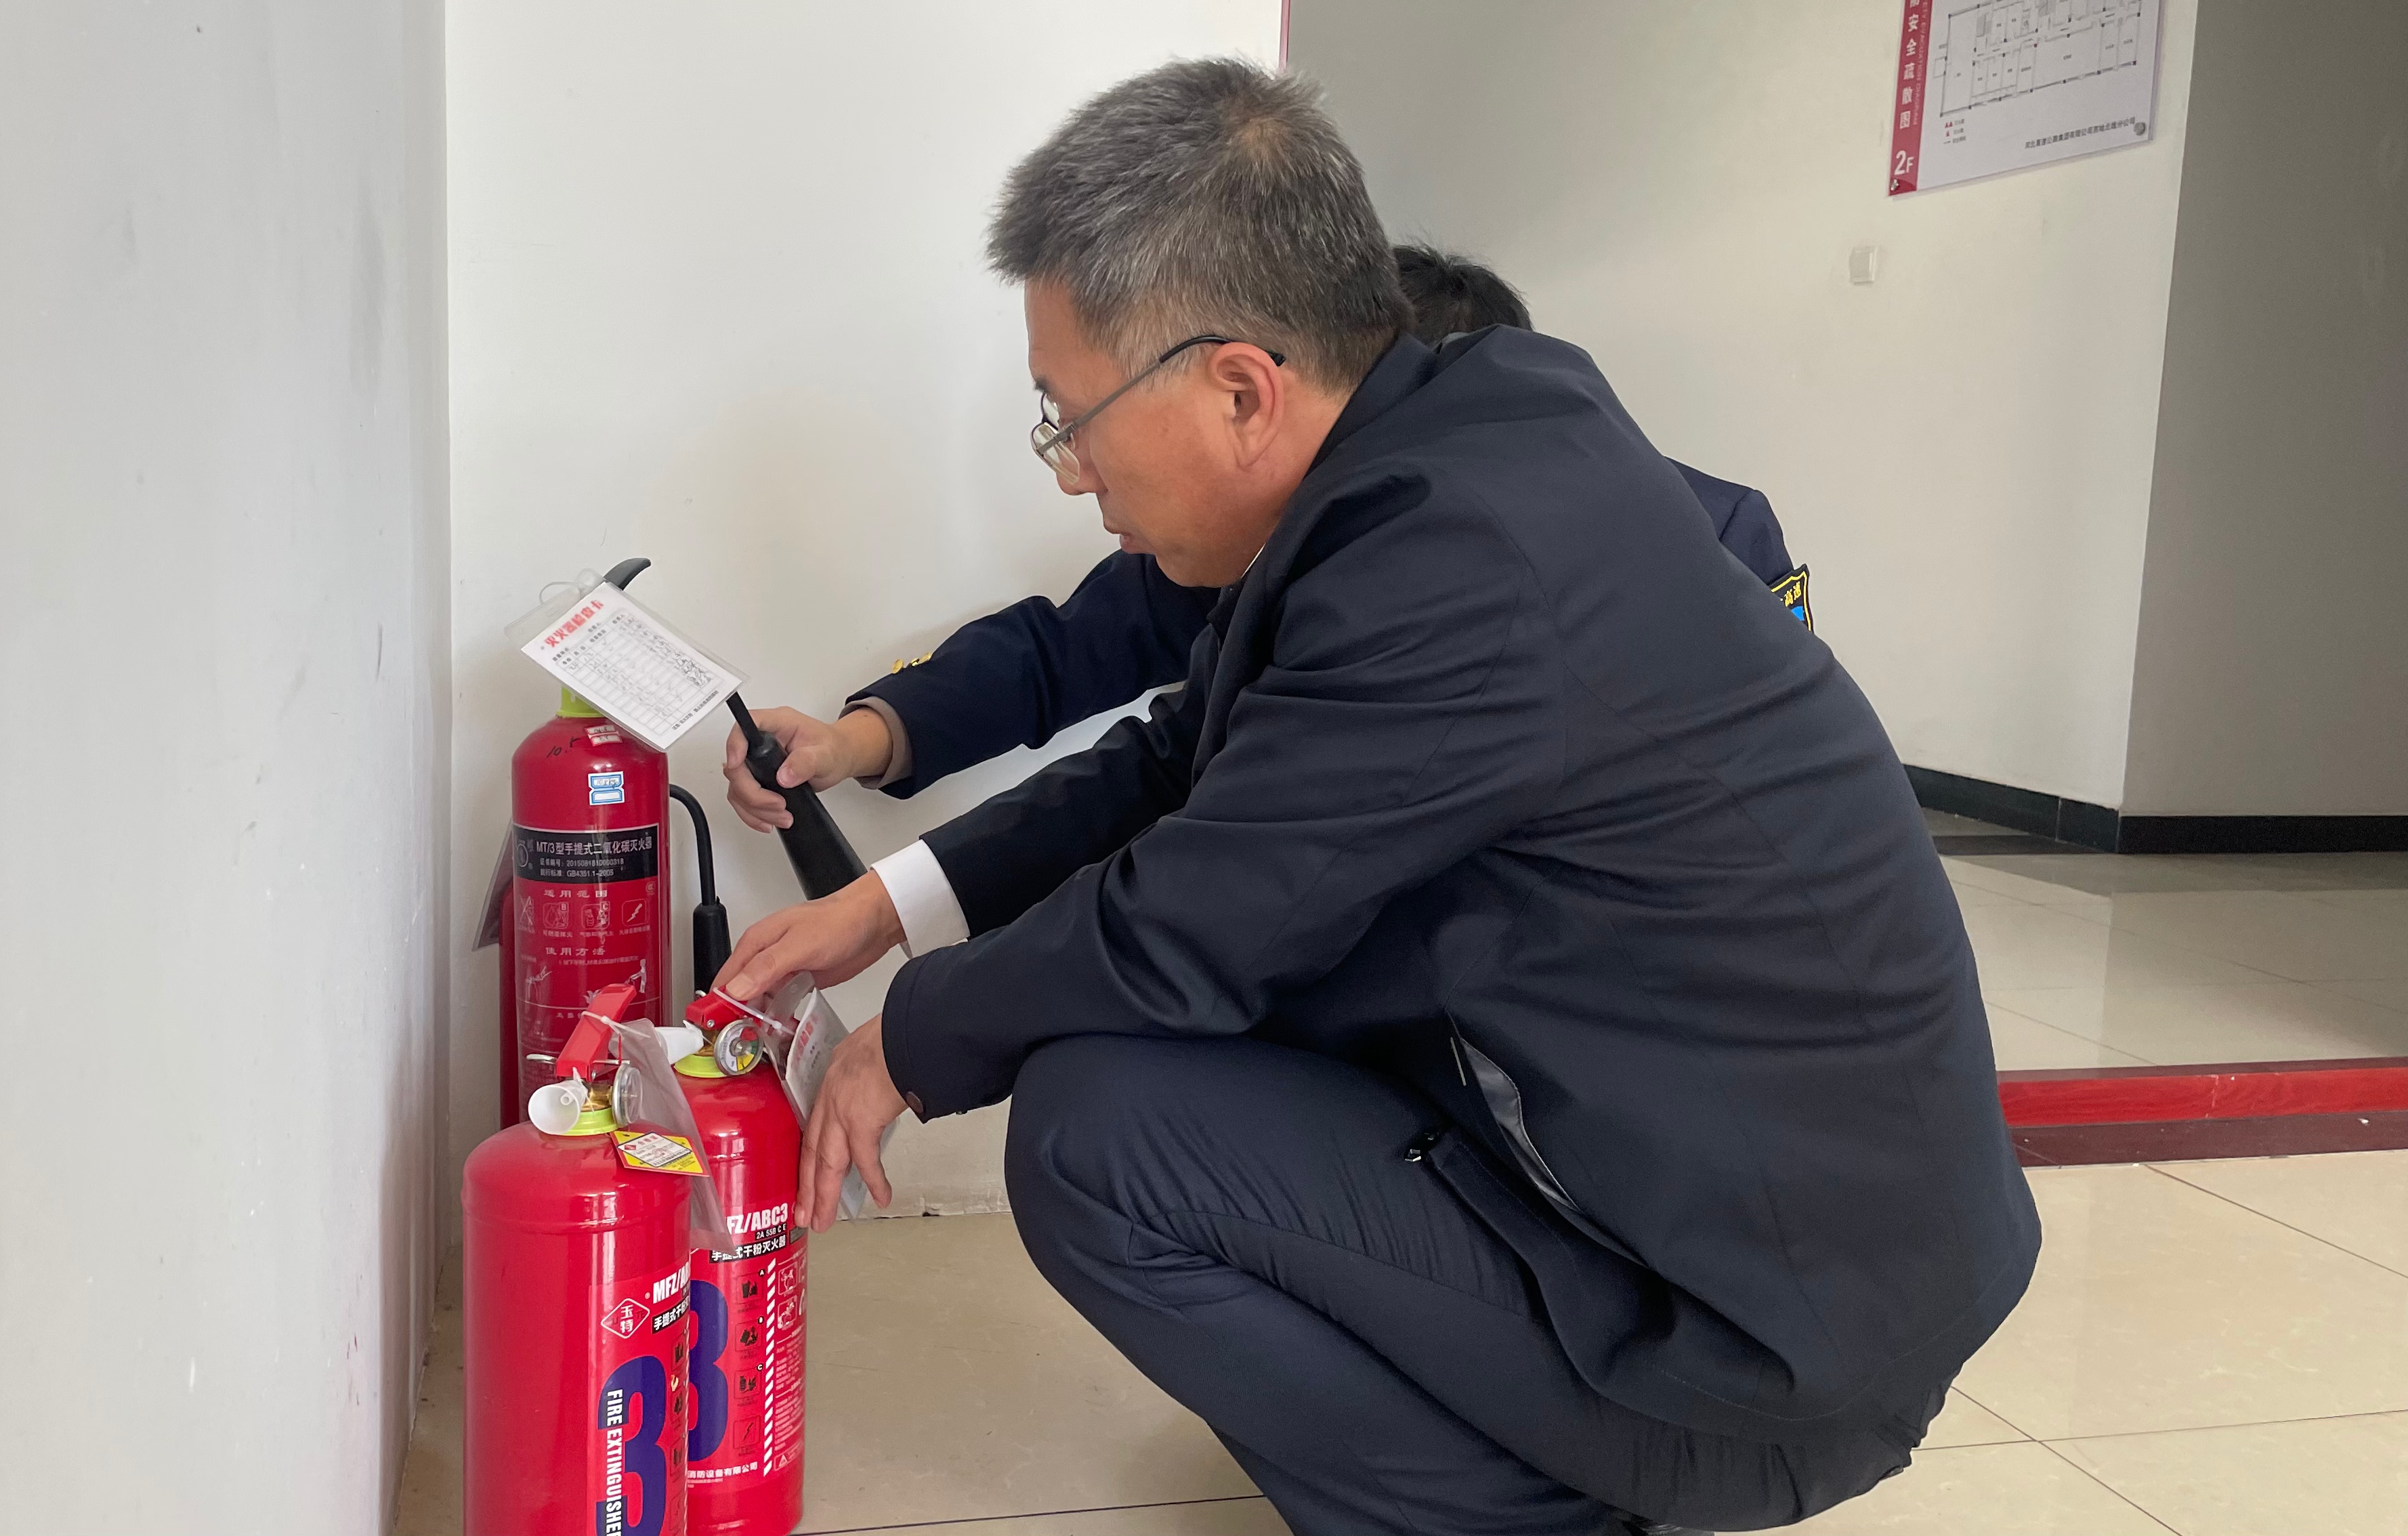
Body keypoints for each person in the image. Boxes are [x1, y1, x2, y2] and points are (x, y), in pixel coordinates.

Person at [713, 59, 2035, 1536]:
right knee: (1155, 1060)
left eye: (1070, 419)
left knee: (1102, 1138)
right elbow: (1179, 761)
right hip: (1773, 1252)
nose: (1072, 472)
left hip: (1761, 1352)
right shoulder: (1462, 457)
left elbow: (1189, 923)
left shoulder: (1459, 564)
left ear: (1240, 389)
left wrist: (907, 1040)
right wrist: (884, 909)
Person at [722, 246, 1806, 824]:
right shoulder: (1257, 530)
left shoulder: (1716, 538)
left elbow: (1761, 808)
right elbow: (1067, 652)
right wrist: (858, 739)